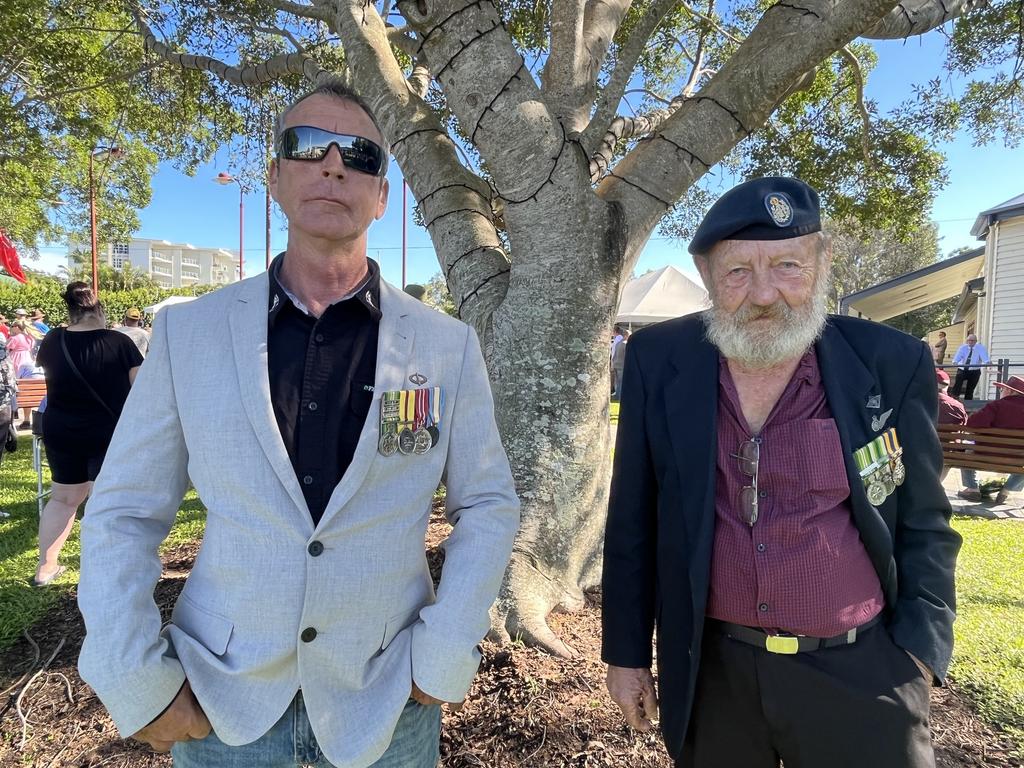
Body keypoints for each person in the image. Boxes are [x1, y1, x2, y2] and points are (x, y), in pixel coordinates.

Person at [77, 79, 520, 768]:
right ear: (276, 179)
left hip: (387, 701)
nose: (334, 164)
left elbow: (489, 503)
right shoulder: (188, 334)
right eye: (309, 145)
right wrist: (134, 677)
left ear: (381, 195)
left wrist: (446, 649)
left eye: (361, 156)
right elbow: (124, 512)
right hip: (222, 705)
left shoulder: (444, 346)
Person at [602, 177, 961, 768]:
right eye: (738, 271)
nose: (764, 293)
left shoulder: (891, 363)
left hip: (862, 674)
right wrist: (625, 653)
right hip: (713, 675)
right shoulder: (658, 359)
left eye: (788, 265)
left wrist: (920, 654)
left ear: (819, 268)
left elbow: (926, 520)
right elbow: (632, 521)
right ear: (708, 276)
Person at [32, 282, 143, 586]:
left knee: (63, 500)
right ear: (99, 309)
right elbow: (142, 390)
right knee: (104, 502)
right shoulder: (119, 343)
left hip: (61, 430)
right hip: (107, 432)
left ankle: (46, 567)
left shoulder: (53, 340)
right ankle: (104, 569)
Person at [956, 374, 1024, 505]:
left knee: (965, 452)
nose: (1001, 392)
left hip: (985, 456)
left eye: (1002, 389)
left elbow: (972, 423)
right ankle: (1006, 491)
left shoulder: (997, 405)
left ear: (1010, 391)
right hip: (1018, 459)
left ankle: (972, 488)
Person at [935, 368, 966, 484]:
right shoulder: (958, 406)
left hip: (919, 452)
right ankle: (937, 484)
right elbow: (963, 432)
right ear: (947, 386)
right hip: (947, 454)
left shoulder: (917, 402)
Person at [950, 333, 990, 400]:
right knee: (957, 386)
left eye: (972, 340)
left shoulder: (980, 348)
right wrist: (955, 362)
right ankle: (954, 401)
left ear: (976, 341)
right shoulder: (963, 347)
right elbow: (958, 357)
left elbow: (984, 357)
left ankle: (967, 404)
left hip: (974, 371)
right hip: (962, 369)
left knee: (970, 389)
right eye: (969, 340)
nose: (970, 342)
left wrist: (987, 362)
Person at [611, 329, 629, 400]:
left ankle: (617, 395)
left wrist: (613, 363)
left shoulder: (618, 343)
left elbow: (614, 354)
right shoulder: (625, 344)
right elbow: (626, 356)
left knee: (617, 382)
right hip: (622, 365)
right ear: (626, 335)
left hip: (616, 363)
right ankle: (619, 397)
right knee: (621, 382)